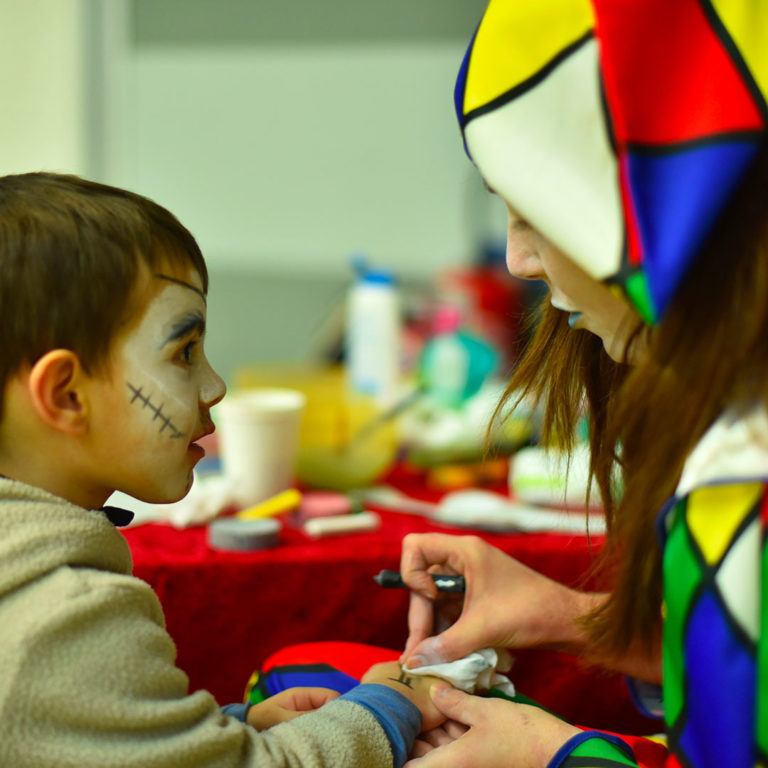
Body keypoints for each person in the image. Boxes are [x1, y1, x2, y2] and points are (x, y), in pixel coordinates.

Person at [397, 1, 768, 766]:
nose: (516, 260)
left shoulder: (740, 485)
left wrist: (555, 756)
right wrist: (572, 615)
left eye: (534, 210)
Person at [0, 171, 447, 768]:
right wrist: (387, 708)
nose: (214, 385)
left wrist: (235, 728)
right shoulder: (64, 619)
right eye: (183, 352)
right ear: (66, 395)